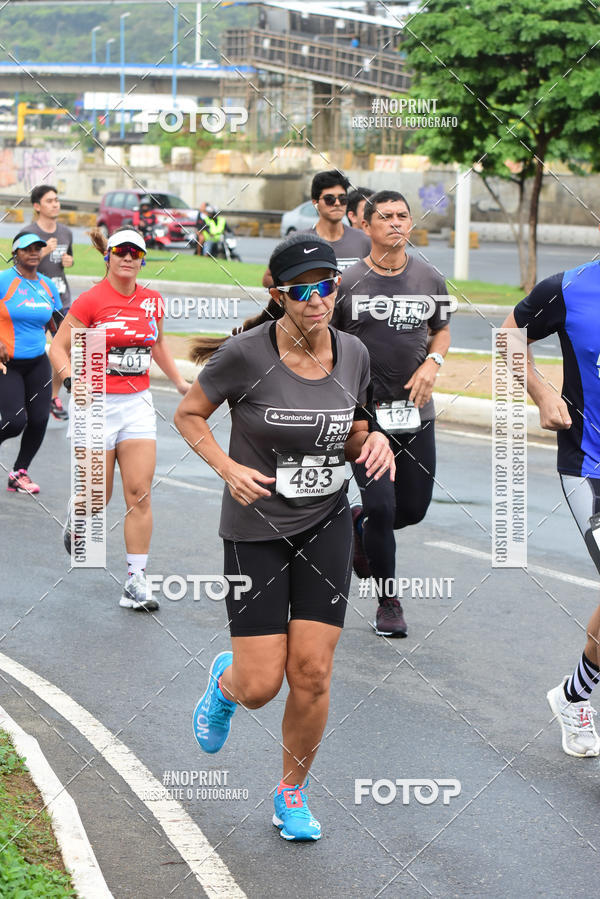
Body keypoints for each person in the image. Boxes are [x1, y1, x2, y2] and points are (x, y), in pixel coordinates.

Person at [174, 232, 394, 841]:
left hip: (324, 520)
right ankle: (227, 682)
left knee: (314, 673)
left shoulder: (353, 353)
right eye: (303, 290)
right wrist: (227, 467)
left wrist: (371, 439)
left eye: (326, 285)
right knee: (261, 685)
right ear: (278, 294)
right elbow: (189, 415)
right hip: (257, 530)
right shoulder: (245, 356)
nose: (317, 298)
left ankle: (290, 793)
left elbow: (351, 429)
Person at [49, 228, 190, 612]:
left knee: (139, 493)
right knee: (98, 497)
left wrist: (178, 382)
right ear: (109, 256)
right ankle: (77, 513)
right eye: (121, 251)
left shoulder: (151, 300)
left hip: (137, 404)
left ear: (142, 259)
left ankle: (135, 581)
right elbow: (58, 348)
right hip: (94, 403)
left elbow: (157, 343)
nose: (128, 257)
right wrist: (70, 380)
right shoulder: (93, 300)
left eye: (136, 252)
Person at [332, 190, 451, 638]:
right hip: (368, 418)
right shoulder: (349, 284)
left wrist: (432, 363)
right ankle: (388, 601)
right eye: (386, 217)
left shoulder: (429, 277)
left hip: (417, 416)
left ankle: (358, 523)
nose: (397, 223)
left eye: (403, 216)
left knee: (412, 510)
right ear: (367, 225)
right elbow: (330, 345)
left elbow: (441, 330)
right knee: (383, 506)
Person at [502, 259, 600, 757]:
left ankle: (572, 695)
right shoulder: (569, 288)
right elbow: (510, 335)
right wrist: (541, 392)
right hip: (591, 465)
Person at [0, 233, 62, 494]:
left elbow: (58, 324)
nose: (34, 252)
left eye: (38, 248)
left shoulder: (48, 286)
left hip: (37, 363)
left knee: (38, 419)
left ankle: (19, 473)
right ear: (16, 253)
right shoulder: (4, 280)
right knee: (14, 422)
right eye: (27, 249)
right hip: (7, 364)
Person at [16, 184, 73, 421]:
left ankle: (53, 396)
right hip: (31, 300)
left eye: (57, 200)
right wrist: (43, 252)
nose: (55, 204)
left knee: (63, 348)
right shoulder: (28, 233)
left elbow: (66, 260)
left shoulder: (66, 233)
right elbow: (20, 266)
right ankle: (20, 394)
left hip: (60, 299)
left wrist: (68, 261)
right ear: (37, 206)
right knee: (30, 348)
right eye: (49, 201)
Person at [262, 170, 371, 288]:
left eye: (343, 198)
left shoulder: (363, 240)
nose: (337, 203)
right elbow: (268, 279)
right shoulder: (297, 241)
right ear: (315, 203)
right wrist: (302, 289)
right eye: (330, 199)